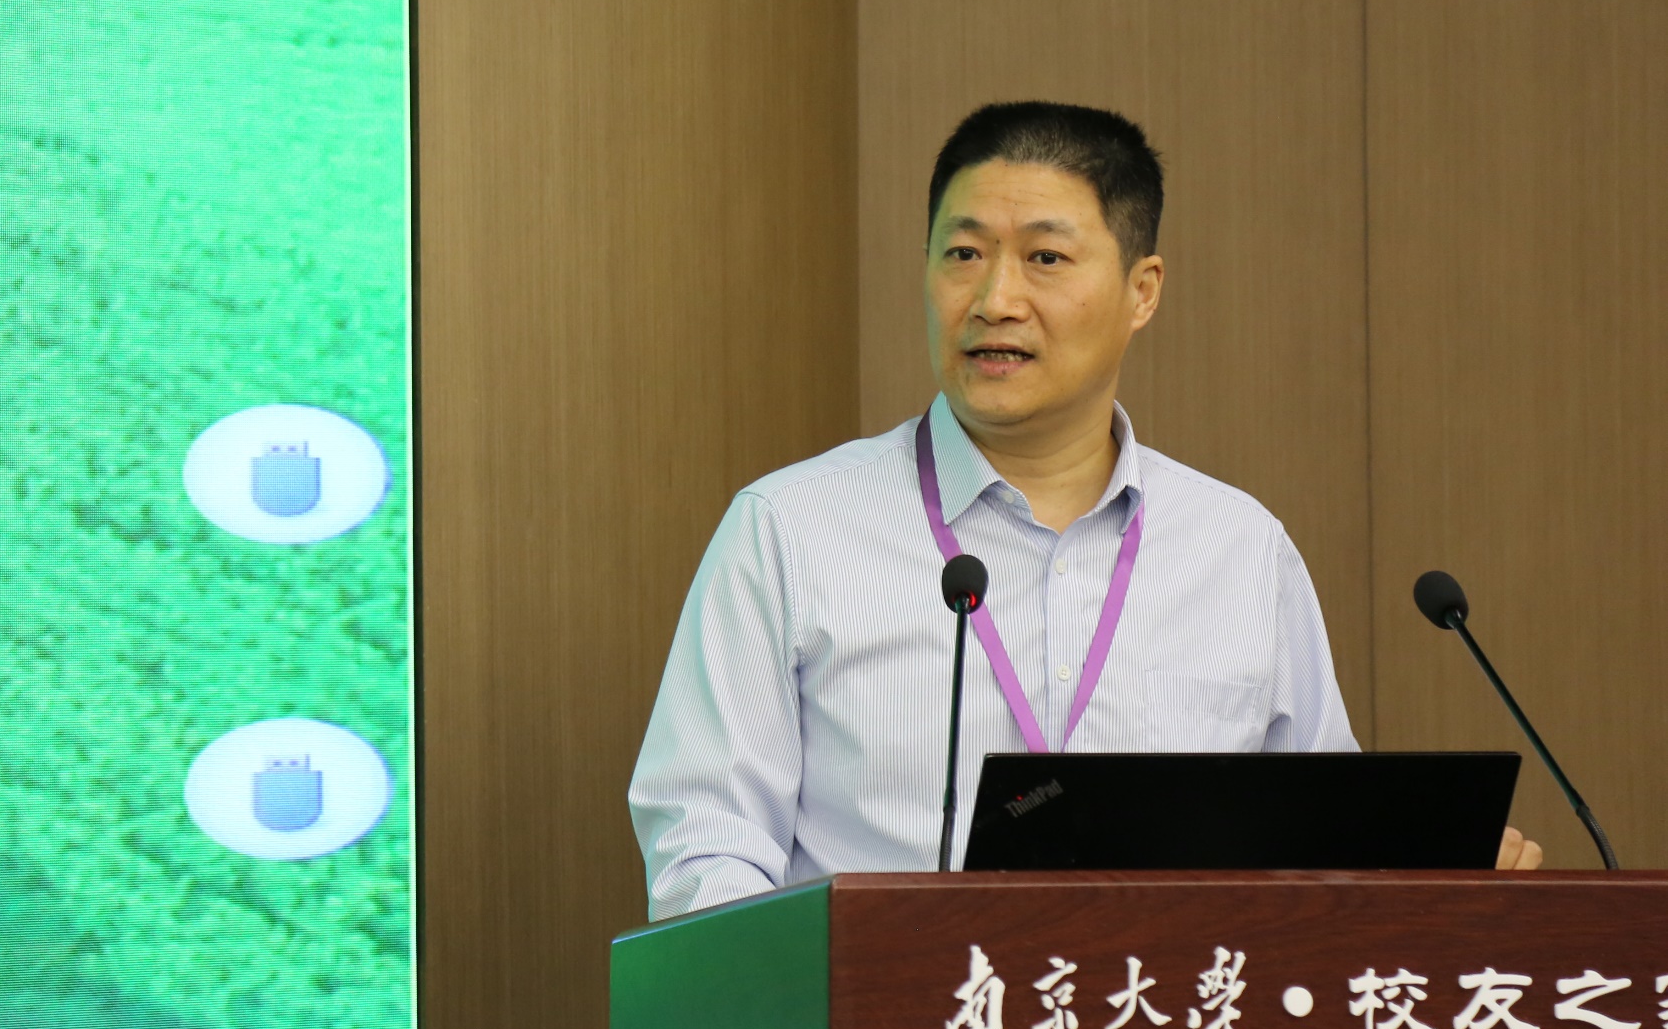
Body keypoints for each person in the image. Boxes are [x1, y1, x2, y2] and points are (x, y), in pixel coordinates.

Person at [628, 101, 1538, 919]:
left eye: (1046, 258)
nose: (995, 300)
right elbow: (705, 852)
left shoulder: (1239, 550)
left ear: (1143, 290)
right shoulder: (791, 529)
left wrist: (1434, 874)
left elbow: (1325, 841)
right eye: (963, 254)